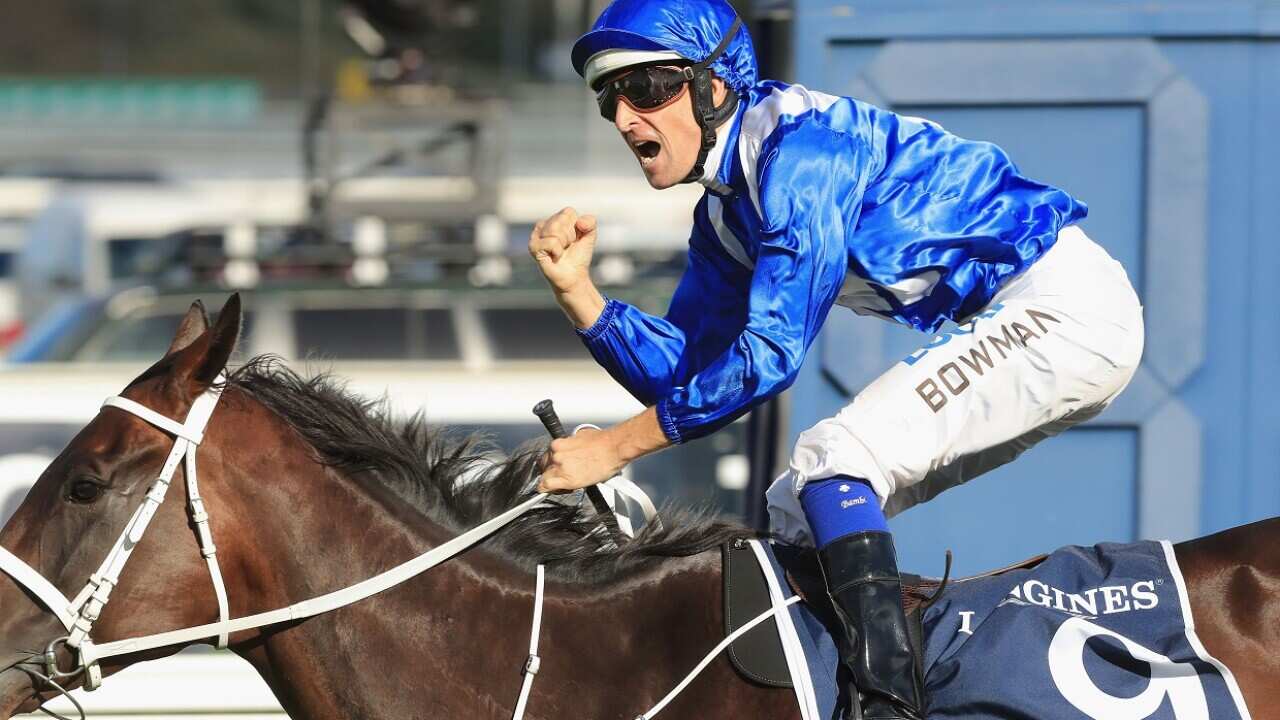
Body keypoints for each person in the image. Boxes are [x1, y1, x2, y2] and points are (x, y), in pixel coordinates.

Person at [528, 1, 1144, 718]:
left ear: (713, 83)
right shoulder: (727, 215)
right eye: (610, 96)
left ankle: (888, 707)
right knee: (793, 507)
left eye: (649, 89)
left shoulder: (802, 151)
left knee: (835, 459)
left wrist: (617, 447)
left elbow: (770, 356)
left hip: (1066, 308)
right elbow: (688, 375)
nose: (627, 118)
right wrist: (581, 295)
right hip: (1035, 319)